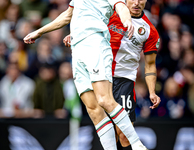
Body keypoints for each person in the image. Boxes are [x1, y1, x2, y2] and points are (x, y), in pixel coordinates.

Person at [23, 0, 148, 149]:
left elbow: (121, 7)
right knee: (93, 110)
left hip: (95, 44)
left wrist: (127, 21)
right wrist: (39, 31)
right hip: (77, 50)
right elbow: (68, 15)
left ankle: (137, 144)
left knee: (104, 100)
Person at [63, 0, 161, 149]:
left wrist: (152, 91)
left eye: (140, 0)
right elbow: (89, 24)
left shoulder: (150, 30)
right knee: (103, 124)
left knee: (123, 136)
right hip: (101, 71)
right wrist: (75, 34)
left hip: (124, 79)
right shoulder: (111, 13)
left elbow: (150, 64)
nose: (136, 3)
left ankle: (135, 144)